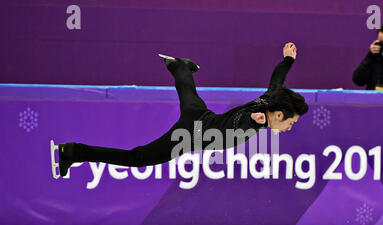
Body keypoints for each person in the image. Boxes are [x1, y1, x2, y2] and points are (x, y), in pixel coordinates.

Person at [52, 42, 308, 178]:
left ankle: (179, 65)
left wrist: (288, 60)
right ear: (278, 114)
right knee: (136, 158)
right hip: (189, 135)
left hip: (201, 117)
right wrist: (254, 119)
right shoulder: (257, 118)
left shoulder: (269, 99)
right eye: (291, 123)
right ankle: (72, 152)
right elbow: (241, 122)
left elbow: (277, 80)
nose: (289, 128)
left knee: (188, 92)